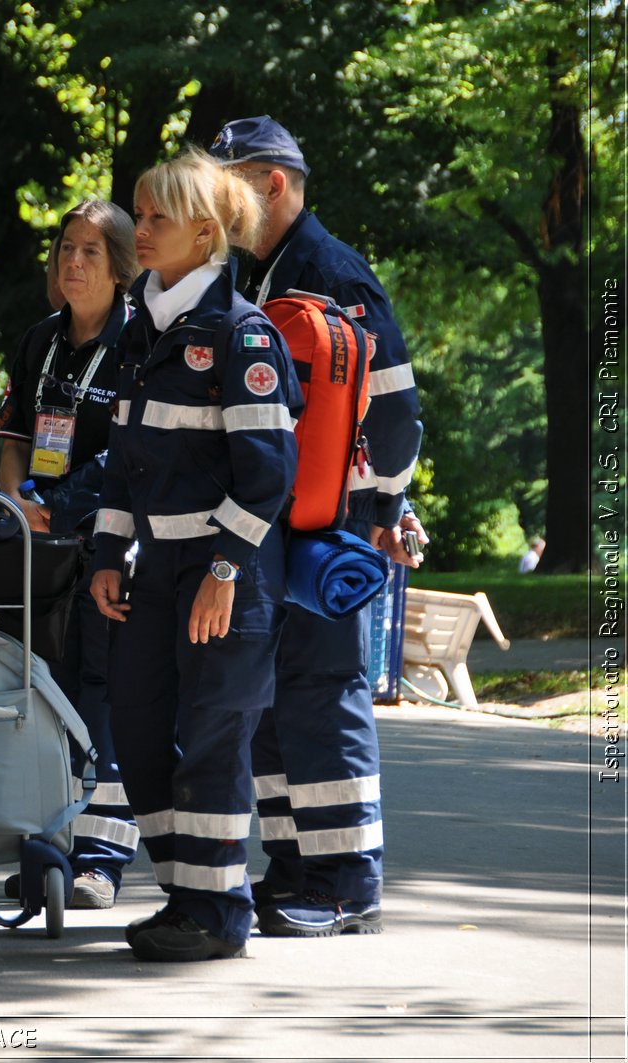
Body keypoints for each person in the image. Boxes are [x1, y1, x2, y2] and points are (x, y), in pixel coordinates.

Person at [209, 116, 426, 938]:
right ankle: (298, 865)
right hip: (281, 525)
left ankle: (347, 883)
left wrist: (377, 513)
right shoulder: (260, 270)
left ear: (273, 185)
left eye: (229, 184)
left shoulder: (331, 272)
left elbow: (397, 410)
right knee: (270, 702)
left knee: (322, 695)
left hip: (326, 528)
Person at [90, 149, 300, 962]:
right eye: (138, 215)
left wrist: (220, 571)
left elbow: (267, 476)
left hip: (228, 572)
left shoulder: (241, 333)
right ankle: (189, 891)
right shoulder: (142, 326)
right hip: (155, 569)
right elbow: (122, 462)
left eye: (155, 219)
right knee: (138, 730)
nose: (137, 231)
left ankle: (215, 914)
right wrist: (109, 552)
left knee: (213, 737)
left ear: (205, 232)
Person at [0, 200, 141, 910]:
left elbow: (138, 450)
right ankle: (45, 847)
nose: (74, 261)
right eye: (65, 249)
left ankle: (102, 856)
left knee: (103, 692)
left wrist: (70, 500)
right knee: (43, 694)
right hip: (42, 546)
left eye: (91, 250)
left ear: (120, 268)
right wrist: (14, 504)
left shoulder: (142, 341)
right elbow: (14, 436)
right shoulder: (39, 342)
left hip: (112, 542)